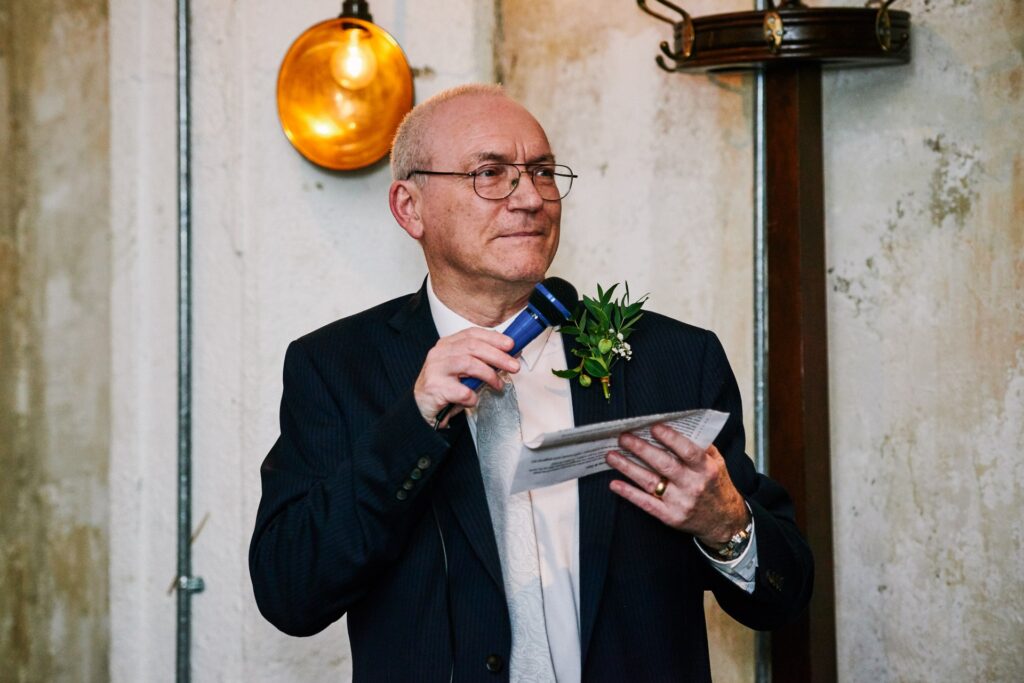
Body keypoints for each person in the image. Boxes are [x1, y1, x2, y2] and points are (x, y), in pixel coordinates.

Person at [249, 83, 813, 682]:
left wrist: (725, 524)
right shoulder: (338, 367)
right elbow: (291, 594)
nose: (531, 198)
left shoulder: (673, 358)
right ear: (409, 207)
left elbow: (783, 594)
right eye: (490, 173)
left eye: (542, 171)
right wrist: (411, 424)